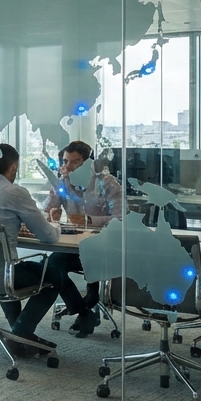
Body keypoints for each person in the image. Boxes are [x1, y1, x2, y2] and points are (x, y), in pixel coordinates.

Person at [0, 143, 76, 355]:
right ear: (14, 167)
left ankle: (18, 336)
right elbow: (47, 236)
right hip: (1, 274)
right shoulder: (15, 192)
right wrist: (56, 225)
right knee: (54, 274)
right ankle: (20, 333)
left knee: (6, 268)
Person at [43, 140, 123, 336]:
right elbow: (45, 209)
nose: (68, 167)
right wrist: (51, 212)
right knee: (53, 265)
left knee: (91, 266)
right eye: (65, 161)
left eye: (75, 162)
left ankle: (91, 299)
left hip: (102, 247)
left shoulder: (106, 182)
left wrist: (89, 219)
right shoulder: (63, 182)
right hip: (73, 245)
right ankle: (84, 311)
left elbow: (121, 219)